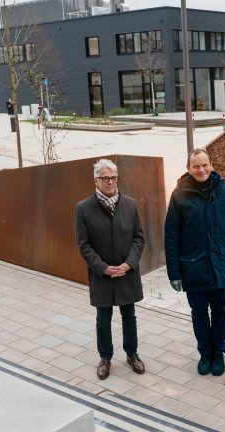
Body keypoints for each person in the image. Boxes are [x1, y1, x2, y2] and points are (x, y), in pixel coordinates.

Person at [164, 149, 225, 377]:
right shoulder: (180, 195)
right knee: (199, 313)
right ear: (189, 168)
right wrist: (174, 273)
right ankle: (204, 354)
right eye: (196, 166)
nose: (201, 170)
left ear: (211, 165)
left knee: (219, 312)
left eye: (205, 165)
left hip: (220, 267)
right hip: (193, 268)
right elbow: (171, 237)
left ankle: (218, 353)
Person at [75, 159, 146, 380]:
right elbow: (83, 245)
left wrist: (130, 263)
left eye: (113, 177)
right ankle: (105, 357)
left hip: (126, 273)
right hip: (102, 275)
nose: (110, 182)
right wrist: (103, 268)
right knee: (103, 318)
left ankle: (132, 354)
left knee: (129, 316)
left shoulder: (130, 204)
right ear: (96, 180)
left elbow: (139, 238)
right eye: (104, 178)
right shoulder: (83, 208)